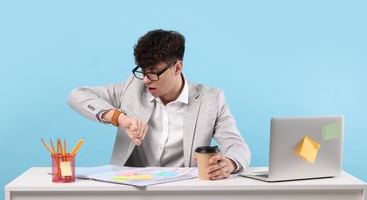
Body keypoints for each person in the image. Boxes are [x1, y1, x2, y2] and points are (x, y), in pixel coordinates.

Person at [67, 29, 251, 180]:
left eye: (153, 73)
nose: (146, 80)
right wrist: (119, 118)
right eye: (143, 72)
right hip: (132, 191)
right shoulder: (132, 87)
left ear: (177, 67)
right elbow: (77, 95)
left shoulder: (211, 99)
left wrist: (230, 163)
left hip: (186, 192)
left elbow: (236, 145)